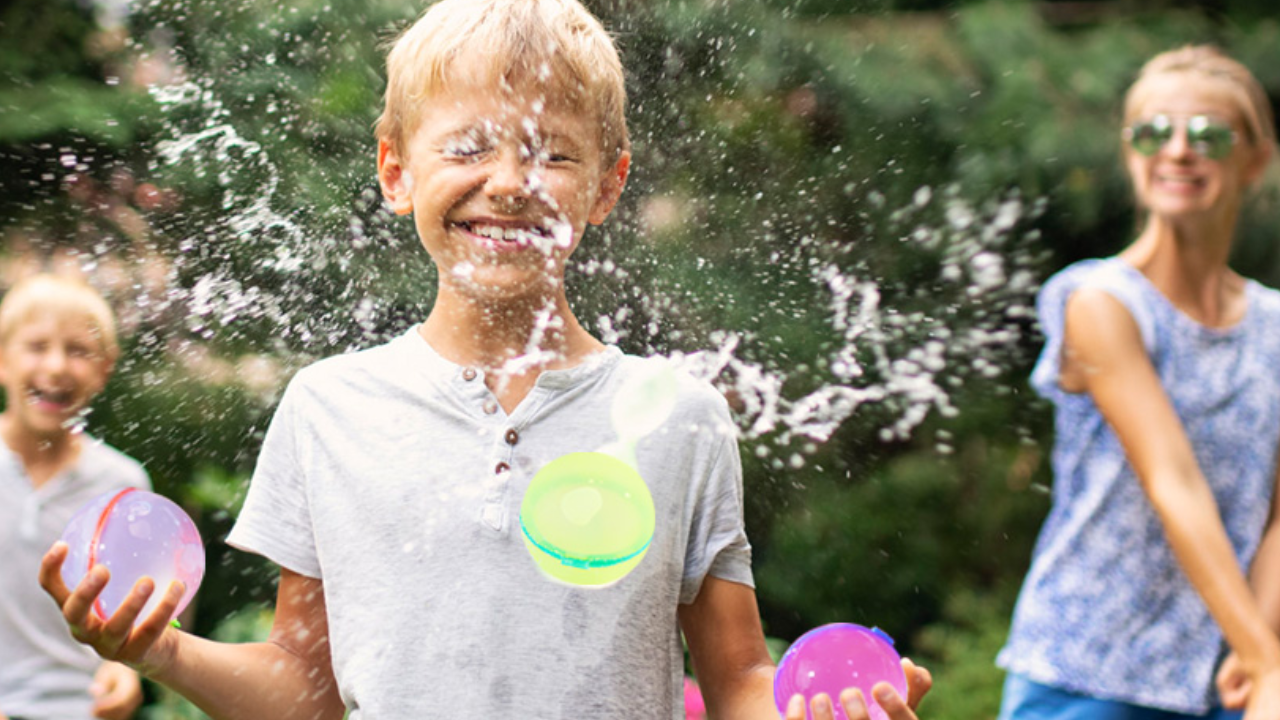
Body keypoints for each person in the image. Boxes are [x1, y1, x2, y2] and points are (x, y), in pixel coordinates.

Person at [37, 1, 931, 718]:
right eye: (466, 147)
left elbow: (737, 679)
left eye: (552, 154)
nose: (508, 182)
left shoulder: (680, 417)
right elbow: (307, 692)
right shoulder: (328, 409)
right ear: (396, 171)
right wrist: (160, 651)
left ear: (606, 186)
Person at [997, 45, 1280, 720]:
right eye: (1154, 132)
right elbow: (1171, 483)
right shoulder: (1099, 302)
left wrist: (1256, 654)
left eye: (1208, 134)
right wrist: (1268, 662)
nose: (1179, 151)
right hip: (1087, 675)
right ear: (1131, 154)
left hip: (1226, 680)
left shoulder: (1275, 326)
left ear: (1255, 161)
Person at [0, 274, 149, 720]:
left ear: (105, 369)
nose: (58, 366)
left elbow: (130, 614)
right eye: (37, 346)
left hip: (83, 711)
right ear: (2, 357)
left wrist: (126, 673)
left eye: (78, 350)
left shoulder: (123, 486)